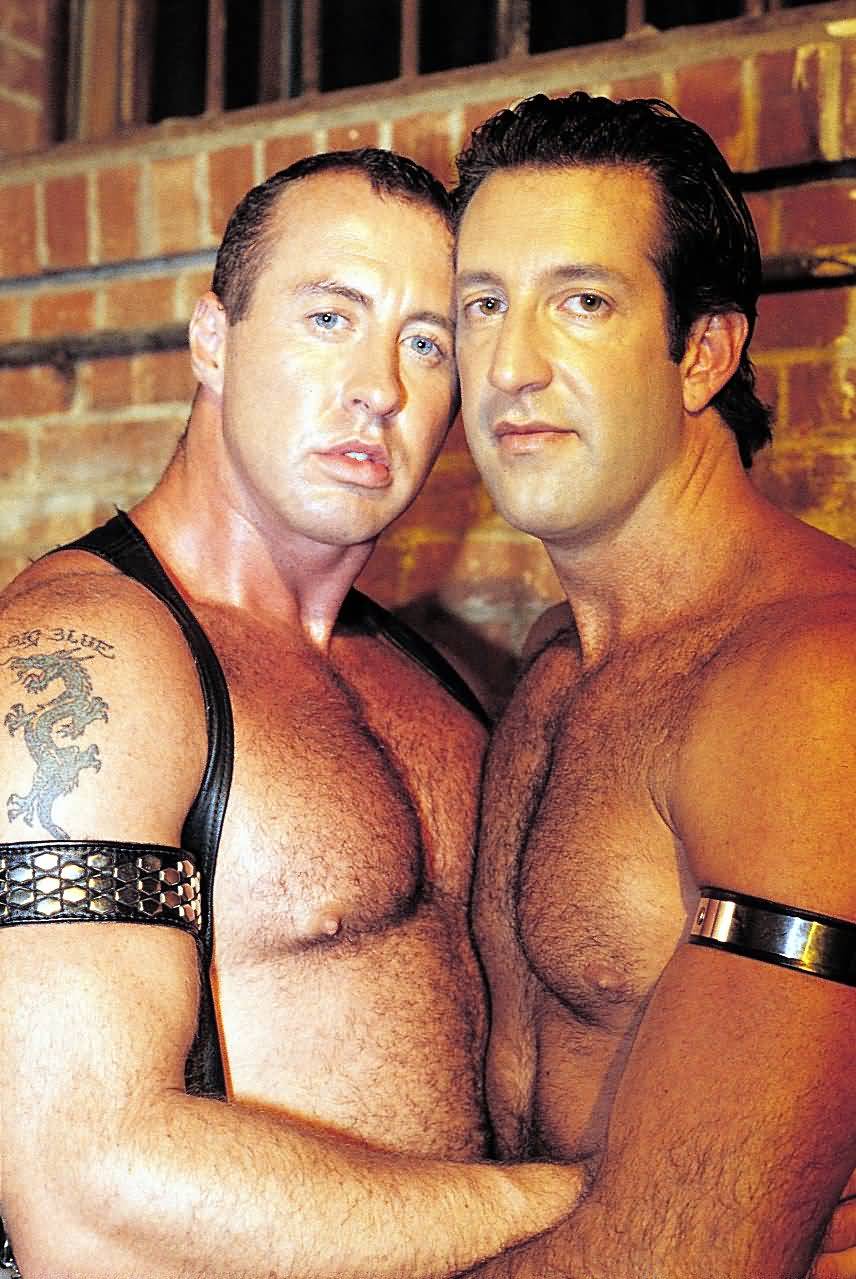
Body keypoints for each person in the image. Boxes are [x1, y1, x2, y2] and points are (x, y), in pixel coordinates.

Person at [0, 149, 584, 1279]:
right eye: (330, 318)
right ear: (212, 341)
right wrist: (578, 1203)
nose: (382, 387)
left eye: (427, 343)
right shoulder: (83, 664)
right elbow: (82, 1193)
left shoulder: (427, 678)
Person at [451, 91, 856, 1278]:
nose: (510, 366)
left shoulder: (807, 679)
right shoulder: (556, 661)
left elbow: (688, 1255)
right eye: (482, 305)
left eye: (581, 302)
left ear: (704, 354)